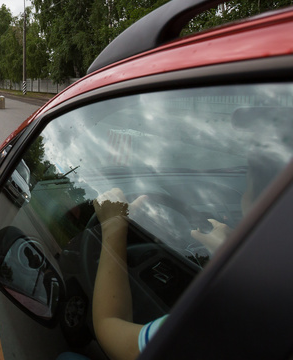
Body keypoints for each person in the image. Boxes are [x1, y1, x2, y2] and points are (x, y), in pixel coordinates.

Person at [91, 154, 281, 360]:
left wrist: (113, 226)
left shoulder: (215, 321)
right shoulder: (280, 300)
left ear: (263, 206)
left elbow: (108, 326)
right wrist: (234, 256)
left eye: (247, 188)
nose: (243, 195)